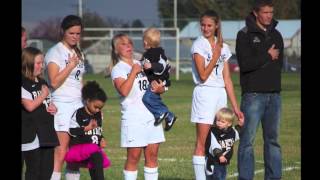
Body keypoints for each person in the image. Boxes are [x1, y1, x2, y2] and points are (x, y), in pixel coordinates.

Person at [190, 10, 244, 180]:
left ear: (216, 26)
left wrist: (235, 108)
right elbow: (203, 75)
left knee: (219, 140)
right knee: (203, 141)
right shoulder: (198, 45)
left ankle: (214, 175)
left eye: (209, 25)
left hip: (220, 95)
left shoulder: (224, 47)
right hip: (205, 93)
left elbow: (227, 79)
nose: (205, 28)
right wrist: (215, 55)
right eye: (203, 25)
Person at [235, 0, 283, 179]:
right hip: (253, 96)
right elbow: (245, 64)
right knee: (247, 142)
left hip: (275, 96)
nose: (269, 16)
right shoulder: (244, 35)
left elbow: (277, 64)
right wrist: (266, 56)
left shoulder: (277, 35)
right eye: (265, 12)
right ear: (256, 13)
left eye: (271, 12)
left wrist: (266, 60)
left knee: (273, 141)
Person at [110, 33, 166, 180]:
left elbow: (156, 83)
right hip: (134, 118)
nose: (128, 46)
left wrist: (161, 89)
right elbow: (123, 91)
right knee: (133, 157)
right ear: (116, 50)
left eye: (129, 43)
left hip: (152, 116)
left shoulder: (143, 62)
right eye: (123, 44)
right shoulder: (118, 69)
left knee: (152, 155)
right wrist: (134, 72)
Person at [44, 15, 85, 180]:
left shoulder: (77, 52)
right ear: (63, 31)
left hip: (78, 105)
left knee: (76, 152)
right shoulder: (55, 52)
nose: (75, 36)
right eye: (71, 33)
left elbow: (79, 80)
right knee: (61, 151)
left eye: (78, 33)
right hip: (62, 104)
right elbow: (53, 81)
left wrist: (87, 105)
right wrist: (70, 66)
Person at [22, 47, 59, 180]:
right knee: (34, 172)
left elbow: (47, 102)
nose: (41, 66)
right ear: (28, 63)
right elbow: (30, 106)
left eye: (42, 63)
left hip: (47, 133)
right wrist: (43, 95)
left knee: (46, 172)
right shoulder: (23, 83)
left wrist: (53, 107)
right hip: (31, 135)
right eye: (38, 63)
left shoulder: (43, 82)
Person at [64, 81, 111, 180]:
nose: (97, 110)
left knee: (96, 162)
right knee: (96, 156)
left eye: (100, 108)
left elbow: (98, 131)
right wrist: (86, 128)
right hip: (79, 148)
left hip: (93, 149)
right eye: (96, 107)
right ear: (88, 101)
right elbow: (71, 131)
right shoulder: (79, 113)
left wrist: (102, 138)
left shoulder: (98, 115)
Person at [141, 27, 177, 131]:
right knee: (154, 99)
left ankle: (161, 113)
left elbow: (162, 66)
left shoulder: (156, 52)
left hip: (160, 81)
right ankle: (170, 117)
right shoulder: (149, 53)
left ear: (146, 42)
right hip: (156, 81)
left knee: (147, 98)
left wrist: (151, 65)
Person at [205, 107, 242, 180]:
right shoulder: (213, 132)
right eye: (218, 120)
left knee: (222, 176)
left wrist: (240, 125)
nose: (219, 123)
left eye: (222, 122)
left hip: (224, 161)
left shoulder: (231, 132)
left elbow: (237, 132)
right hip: (214, 160)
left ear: (229, 124)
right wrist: (220, 155)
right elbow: (214, 145)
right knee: (217, 177)